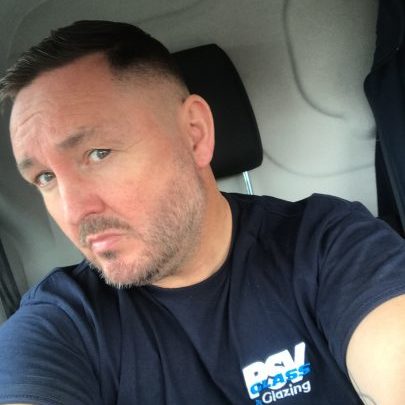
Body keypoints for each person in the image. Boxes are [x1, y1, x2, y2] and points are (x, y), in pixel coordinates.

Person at [0, 20, 403, 405]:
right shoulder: (63, 320)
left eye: (98, 153)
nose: (73, 212)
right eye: (45, 177)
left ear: (194, 133)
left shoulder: (330, 246)